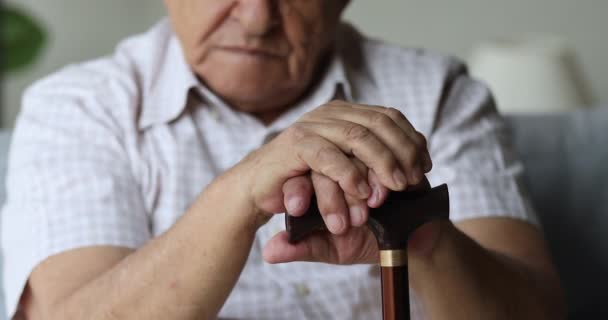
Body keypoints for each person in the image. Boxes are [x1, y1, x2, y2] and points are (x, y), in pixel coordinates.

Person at [2, 1, 565, 319]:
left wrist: (421, 236)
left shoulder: (438, 93)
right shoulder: (75, 107)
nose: (255, 18)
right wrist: (238, 194)